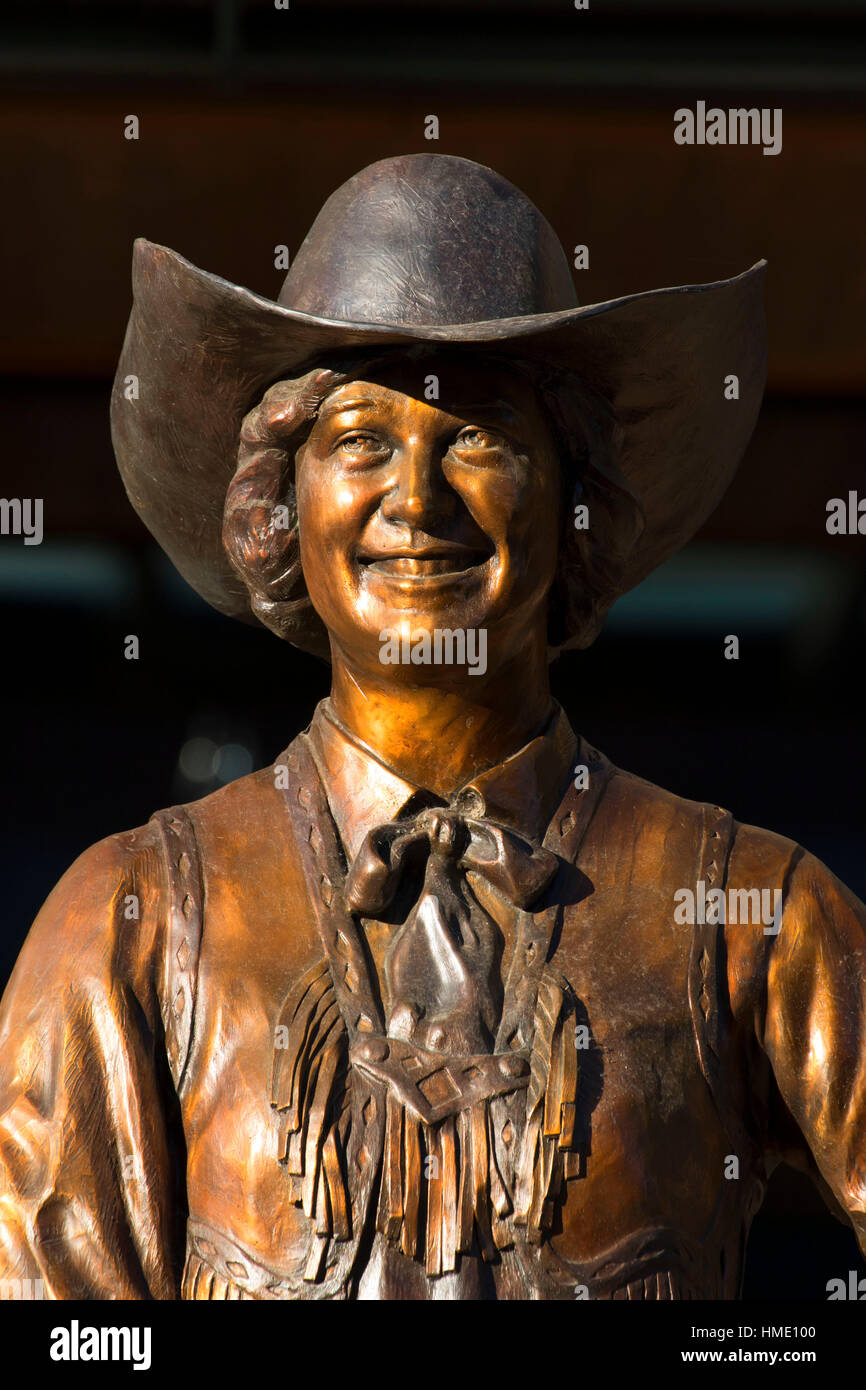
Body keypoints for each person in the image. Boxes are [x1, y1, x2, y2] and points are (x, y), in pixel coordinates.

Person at [1, 154, 863, 1301]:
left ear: (573, 499)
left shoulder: (752, 916)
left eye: (476, 434)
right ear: (281, 505)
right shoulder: (127, 927)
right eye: (359, 438)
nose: (414, 500)